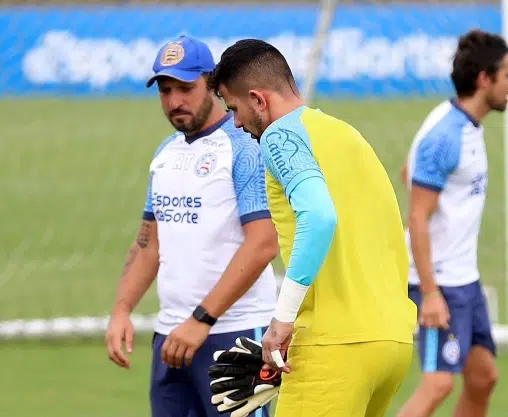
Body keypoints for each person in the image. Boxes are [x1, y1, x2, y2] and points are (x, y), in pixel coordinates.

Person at [206, 38, 417, 417]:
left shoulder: (280, 136)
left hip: (334, 345)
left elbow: (319, 217)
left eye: (233, 108)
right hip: (393, 343)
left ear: (258, 99)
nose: (236, 122)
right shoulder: (347, 135)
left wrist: (282, 321)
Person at [104, 35, 280, 417]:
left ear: (213, 86)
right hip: (171, 338)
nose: (174, 101)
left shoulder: (244, 147)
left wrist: (202, 319)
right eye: (166, 90)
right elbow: (150, 243)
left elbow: (264, 243)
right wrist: (122, 310)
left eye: (185, 88)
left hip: (234, 334)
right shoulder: (165, 153)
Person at [396, 29, 506, 417]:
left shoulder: (457, 123)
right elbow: (418, 217)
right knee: (438, 384)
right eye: (506, 74)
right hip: (440, 282)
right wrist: (429, 293)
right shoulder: (446, 135)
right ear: (484, 79)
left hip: (465, 279)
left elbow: (408, 170)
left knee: (483, 378)